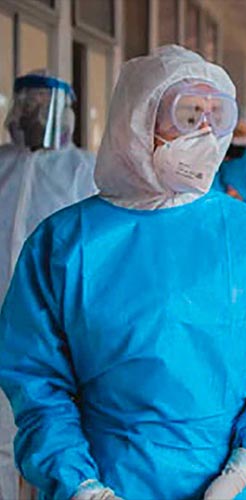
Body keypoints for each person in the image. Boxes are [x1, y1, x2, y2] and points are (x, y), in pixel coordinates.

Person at [0, 45, 246, 500]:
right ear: (138, 119)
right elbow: (36, 380)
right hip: (107, 472)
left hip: (237, 480)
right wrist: (81, 485)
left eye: (215, 116)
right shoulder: (63, 243)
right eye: (188, 115)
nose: (204, 132)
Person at [0, 71, 97, 500]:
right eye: (30, 105)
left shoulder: (83, 170)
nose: (37, 115)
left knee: (48, 429)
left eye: (46, 106)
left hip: (50, 325)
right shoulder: (2, 164)